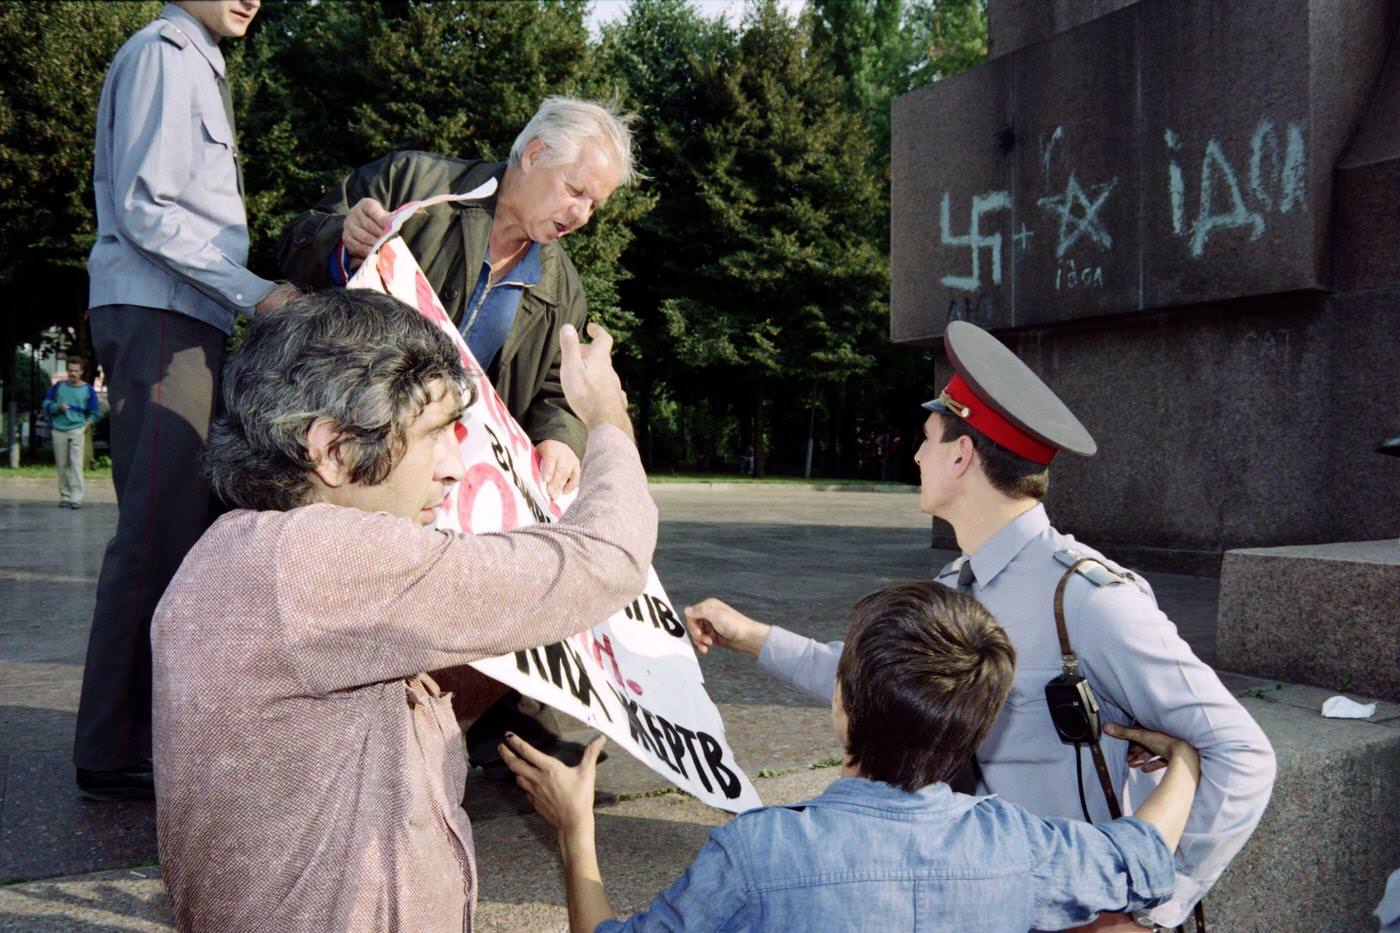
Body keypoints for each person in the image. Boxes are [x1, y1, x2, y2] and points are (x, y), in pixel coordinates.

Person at [684, 321, 1276, 931]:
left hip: (1062, 908)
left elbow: (1243, 753)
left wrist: (1153, 907)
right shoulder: (956, 585)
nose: (916, 455)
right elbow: (876, 686)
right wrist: (749, 636)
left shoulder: (1088, 599)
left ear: (962, 455)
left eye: (927, 439)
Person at [152, 289, 656, 931]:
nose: (453, 468)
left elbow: (397, 710)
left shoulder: (245, 554)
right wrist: (607, 418)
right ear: (333, 450)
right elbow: (604, 559)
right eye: (434, 434)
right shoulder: (318, 558)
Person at [503, 581, 1201, 931]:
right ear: (977, 726)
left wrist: (576, 833)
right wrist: (1184, 763)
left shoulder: (760, 854)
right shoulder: (1025, 849)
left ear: (843, 704)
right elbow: (1143, 854)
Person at [278, 95, 637, 773]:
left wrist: (561, 437)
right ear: (532, 155)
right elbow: (294, 238)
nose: (582, 214)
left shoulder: (560, 283)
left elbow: (558, 389)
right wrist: (341, 238)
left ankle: (483, 719)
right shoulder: (414, 184)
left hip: (453, 476)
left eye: (595, 204)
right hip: (354, 452)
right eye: (577, 191)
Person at [75, 0, 298, 802]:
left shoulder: (195, 56)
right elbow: (147, 209)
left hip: (179, 313)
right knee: (156, 530)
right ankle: (113, 744)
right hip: (160, 313)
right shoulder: (167, 53)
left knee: (175, 523)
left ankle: (138, 731)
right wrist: (254, 292)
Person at [42, 358, 101, 510]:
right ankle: (65, 496)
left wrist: (84, 426)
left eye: (76, 371)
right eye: (70, 370)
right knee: (62, 465)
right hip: (59, 430)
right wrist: (57, 407)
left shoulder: (88, 389)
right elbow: (46, 404)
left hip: (77, 430)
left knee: (76, 464)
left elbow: (95, 413)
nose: (73, 373)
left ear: (81, 372)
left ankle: (76, 498)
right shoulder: (59, 387)